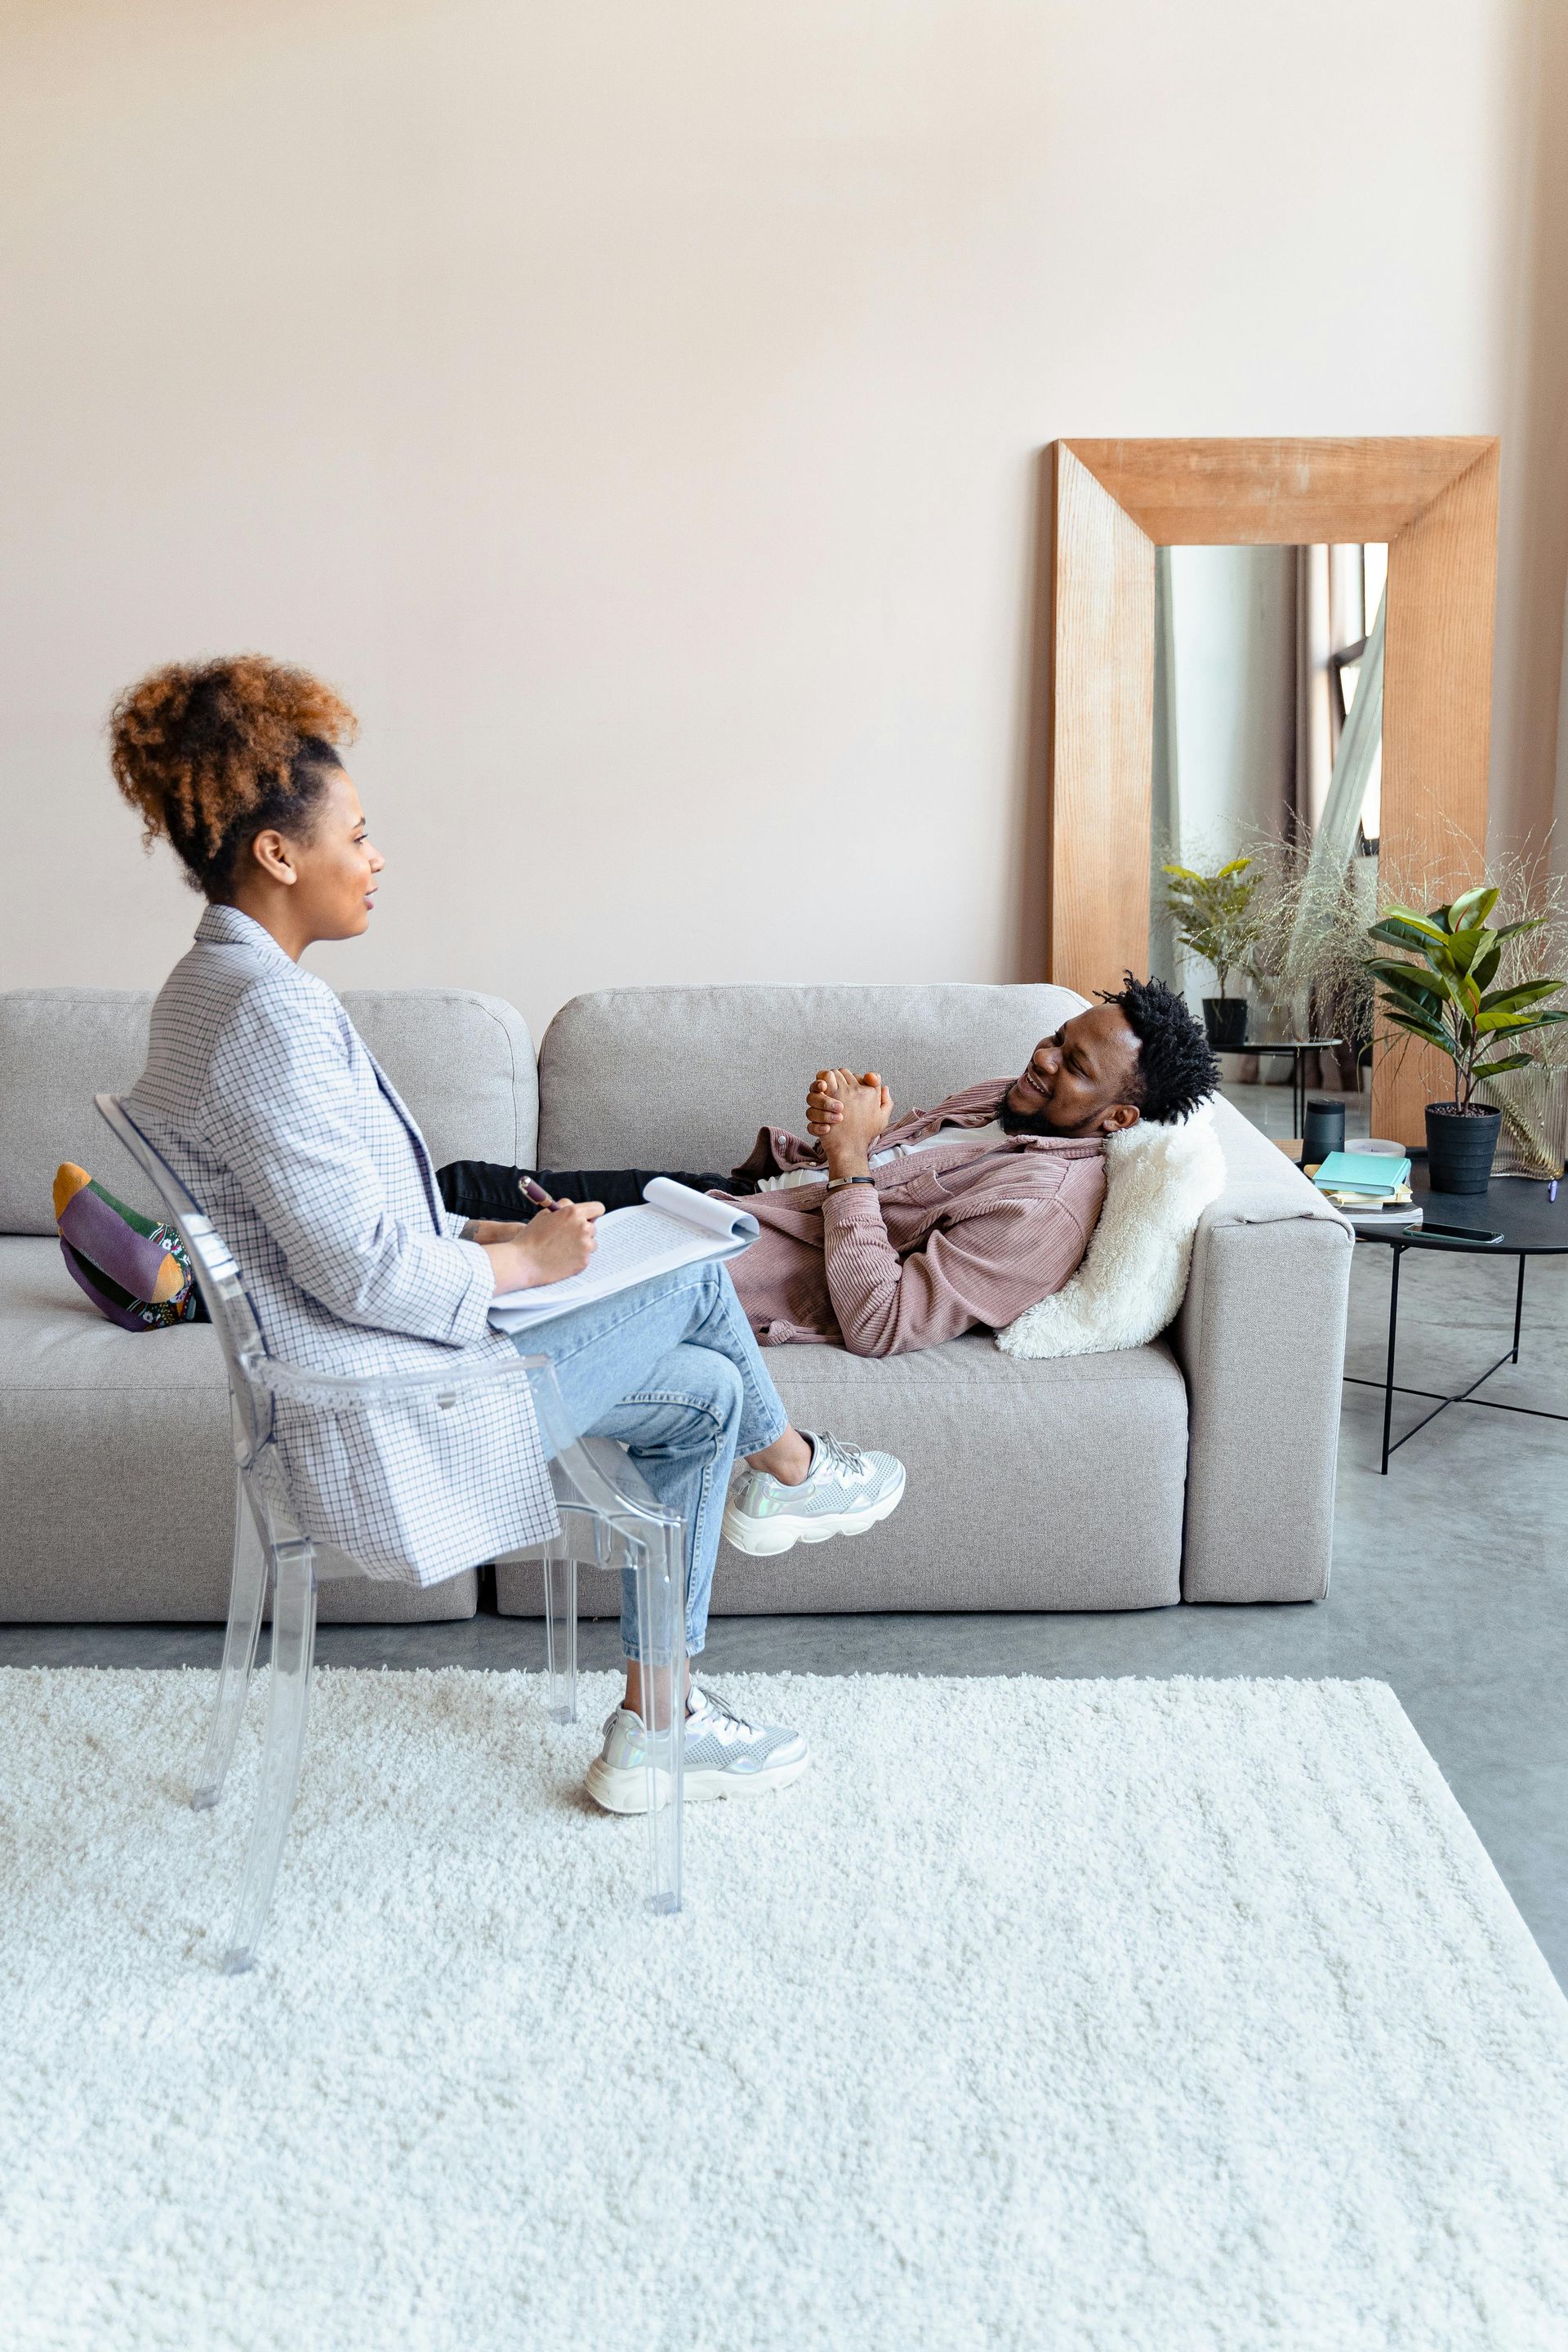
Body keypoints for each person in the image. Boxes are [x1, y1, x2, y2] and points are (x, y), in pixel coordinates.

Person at [109, 656, 906, 1814]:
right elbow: (356, 1268)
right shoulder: (269, 1017)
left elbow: (323, 1221)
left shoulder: (205, 990)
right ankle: (792, 1472)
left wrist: (479, 1226)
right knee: (697, 1279)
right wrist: (523, 1262)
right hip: (384, 1423)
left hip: (359, 1387)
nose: (377, 859)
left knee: (708, 1392)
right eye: (358, 836)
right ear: (279, 854)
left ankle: (661, 1721)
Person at [438, 978, 1221, 1360]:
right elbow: (872, 1169)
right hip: (735, 1199)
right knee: (463, 1184)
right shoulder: (1007, 1101)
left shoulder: (1042, 1211)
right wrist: (840, 1128)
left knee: (465, 1214)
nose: (1044, 1059)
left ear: (1118, 1119)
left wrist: (850, 1164)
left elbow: (885, 1323)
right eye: (1057, 1038)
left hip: (740, 1255)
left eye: (1075, 1066)